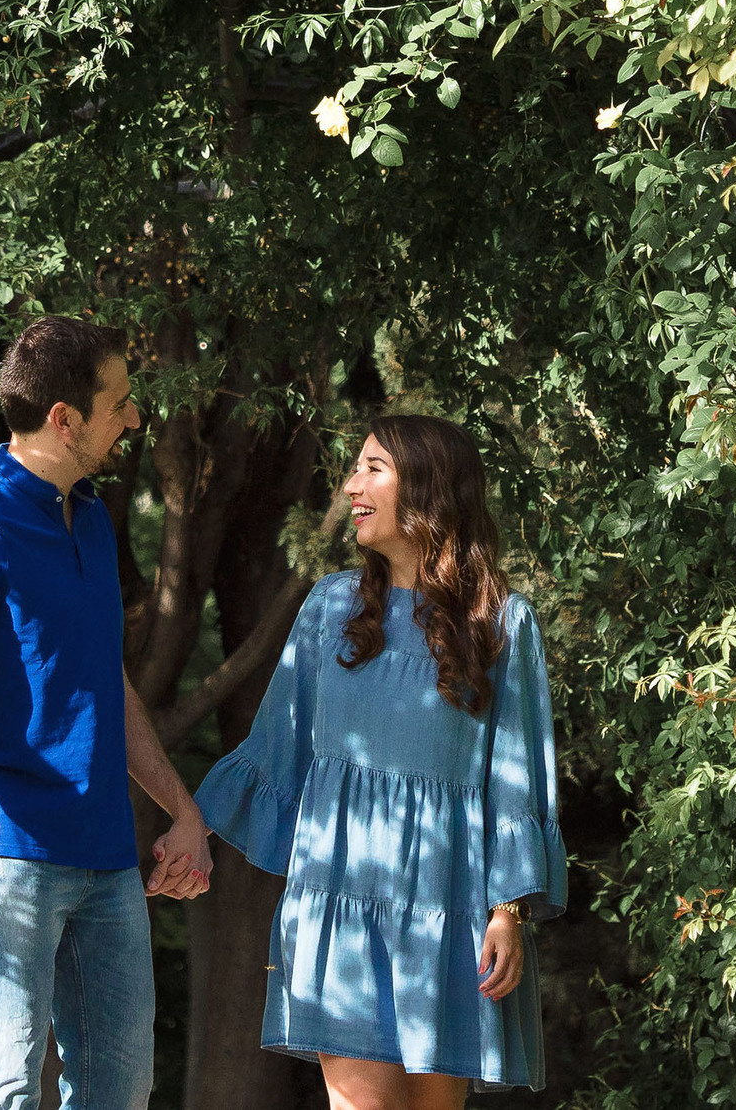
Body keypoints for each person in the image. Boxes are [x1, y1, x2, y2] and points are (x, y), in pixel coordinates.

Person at [196, 414, 566, 1108]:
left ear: (425, 487)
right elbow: (275, 751)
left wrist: (507, 910)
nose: (351, 485)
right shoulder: (328, 606)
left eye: (372, 468)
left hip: (452, 911)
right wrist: (191, 830)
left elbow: (518, 776)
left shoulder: (502, 623)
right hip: (341, 906)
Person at [0, 316, 213, 1110]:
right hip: (5, 848)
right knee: (1, 1087)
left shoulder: (94, 520)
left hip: (107, 854)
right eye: (120, 403)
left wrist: (181, 810)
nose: (136, 419)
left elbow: (104, 684)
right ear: (65, 419)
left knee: (119, 1089)